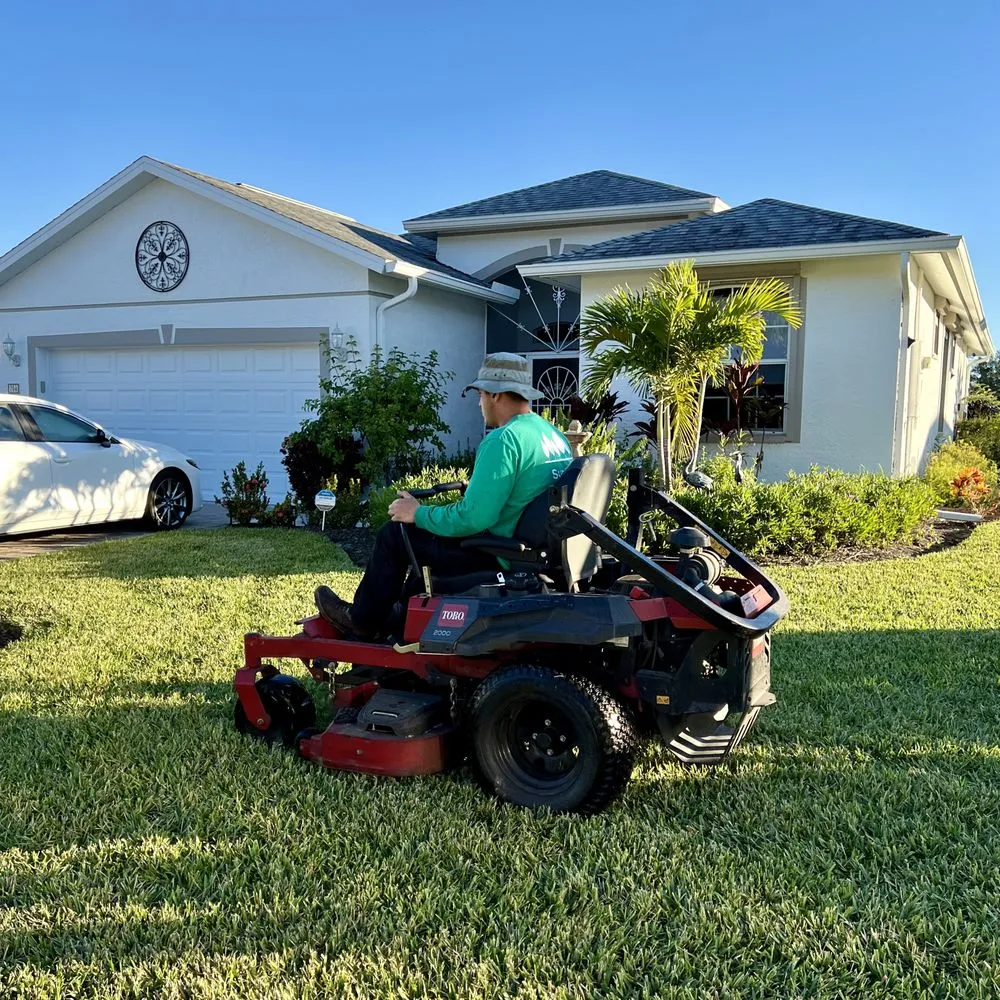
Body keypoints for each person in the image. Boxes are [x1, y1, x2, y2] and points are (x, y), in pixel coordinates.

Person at [314, 352, 573, 637]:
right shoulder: (552, 435)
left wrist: (417, 513)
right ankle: (396, 623)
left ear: (495, 395)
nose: (479, 403)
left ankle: (361, 621)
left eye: (480, 395)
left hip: (500, 555)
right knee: (418, 565)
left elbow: (476, 517)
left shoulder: (503, 439)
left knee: (395, 535)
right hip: (535, 551)